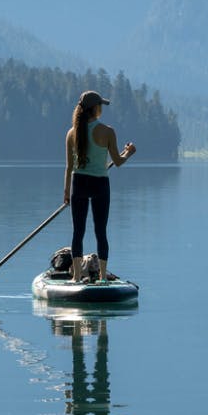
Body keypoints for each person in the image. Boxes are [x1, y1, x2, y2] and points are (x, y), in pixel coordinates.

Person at [63, 90, 136, 282]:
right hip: (100, 184)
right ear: (95, 108)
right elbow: (118, 162)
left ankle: (77, 277)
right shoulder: (107, 131)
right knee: (100, 231)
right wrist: (129, 152)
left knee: (78, 231)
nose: (102, 108)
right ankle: (103, 277)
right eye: (101, 105)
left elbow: (69, 167)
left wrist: (66, 192)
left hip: (78, 183)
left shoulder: (71, 133)